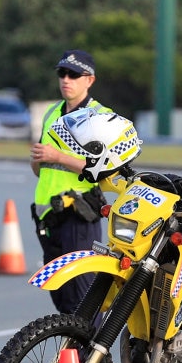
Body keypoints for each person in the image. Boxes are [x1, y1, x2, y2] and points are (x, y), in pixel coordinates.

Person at [30, 50, 109, 315]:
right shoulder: (52, 112)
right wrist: (39, 159)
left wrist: (57, 156)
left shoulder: (100, 117)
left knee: (82, 294)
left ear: (90, 80)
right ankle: (73, 355)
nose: (66, 79)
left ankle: (92, 355)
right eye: (62, 73)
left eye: (74, 75)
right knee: (60, 294)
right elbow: (41, 170)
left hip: (78, 215)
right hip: (48, 216)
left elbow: (105, 170)